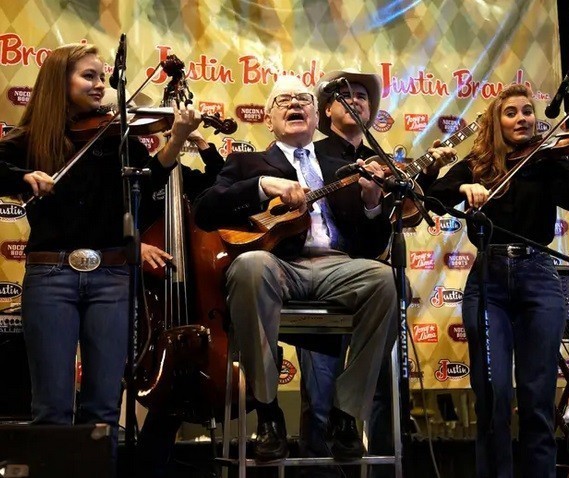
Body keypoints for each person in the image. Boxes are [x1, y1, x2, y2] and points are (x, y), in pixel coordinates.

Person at [0, 43, 202, 471]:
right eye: (88, 76)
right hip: (50, 274)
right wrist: (23, 176)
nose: (100, 85)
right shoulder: (31, 139)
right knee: (52, 407)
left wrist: (178, 139)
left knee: (104, 409)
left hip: (111, 276)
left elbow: (150, 188)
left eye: (102, 76)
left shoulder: (117, 136)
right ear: (60, 81)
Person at [193, 75, 398, 463]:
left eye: (303, 99)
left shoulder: (343, 166)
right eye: (283, 100)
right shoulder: (246, 163)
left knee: (384, 279)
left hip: (337, 266)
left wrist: (372, 203)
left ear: (317, 117)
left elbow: (370, 248)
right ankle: (268, 412)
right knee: (250, 266)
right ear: (268, 119)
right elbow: (205, 211)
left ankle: (345, 414)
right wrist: (261, 186)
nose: (294, 104)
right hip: (279, 266)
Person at [426, 83, 569, 478]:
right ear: (496, 123)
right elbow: (431, 198)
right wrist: (462, 186)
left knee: (537, 399)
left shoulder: (547, 160)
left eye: (527, 112)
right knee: (493, 395)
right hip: (488, 280)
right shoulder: (478, 163)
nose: (522, 119)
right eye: (511, 112)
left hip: (539, 277)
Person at [299, 68, 456, 478]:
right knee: (320, 395)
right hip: (320, 278)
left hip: (373, 281)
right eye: (345, 95)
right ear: (326, 109)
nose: (356, 100)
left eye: (362, 96)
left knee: (384, 391)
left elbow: (402, 215)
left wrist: (423, 176)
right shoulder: (309, 154)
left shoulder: (382, 161)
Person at [135, 129, 225, 478]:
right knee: (160, 389)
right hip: (158, 298)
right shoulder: (146, 172)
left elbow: (223, 182)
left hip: (199, 299)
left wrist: (203, 145)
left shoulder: (189, 177)